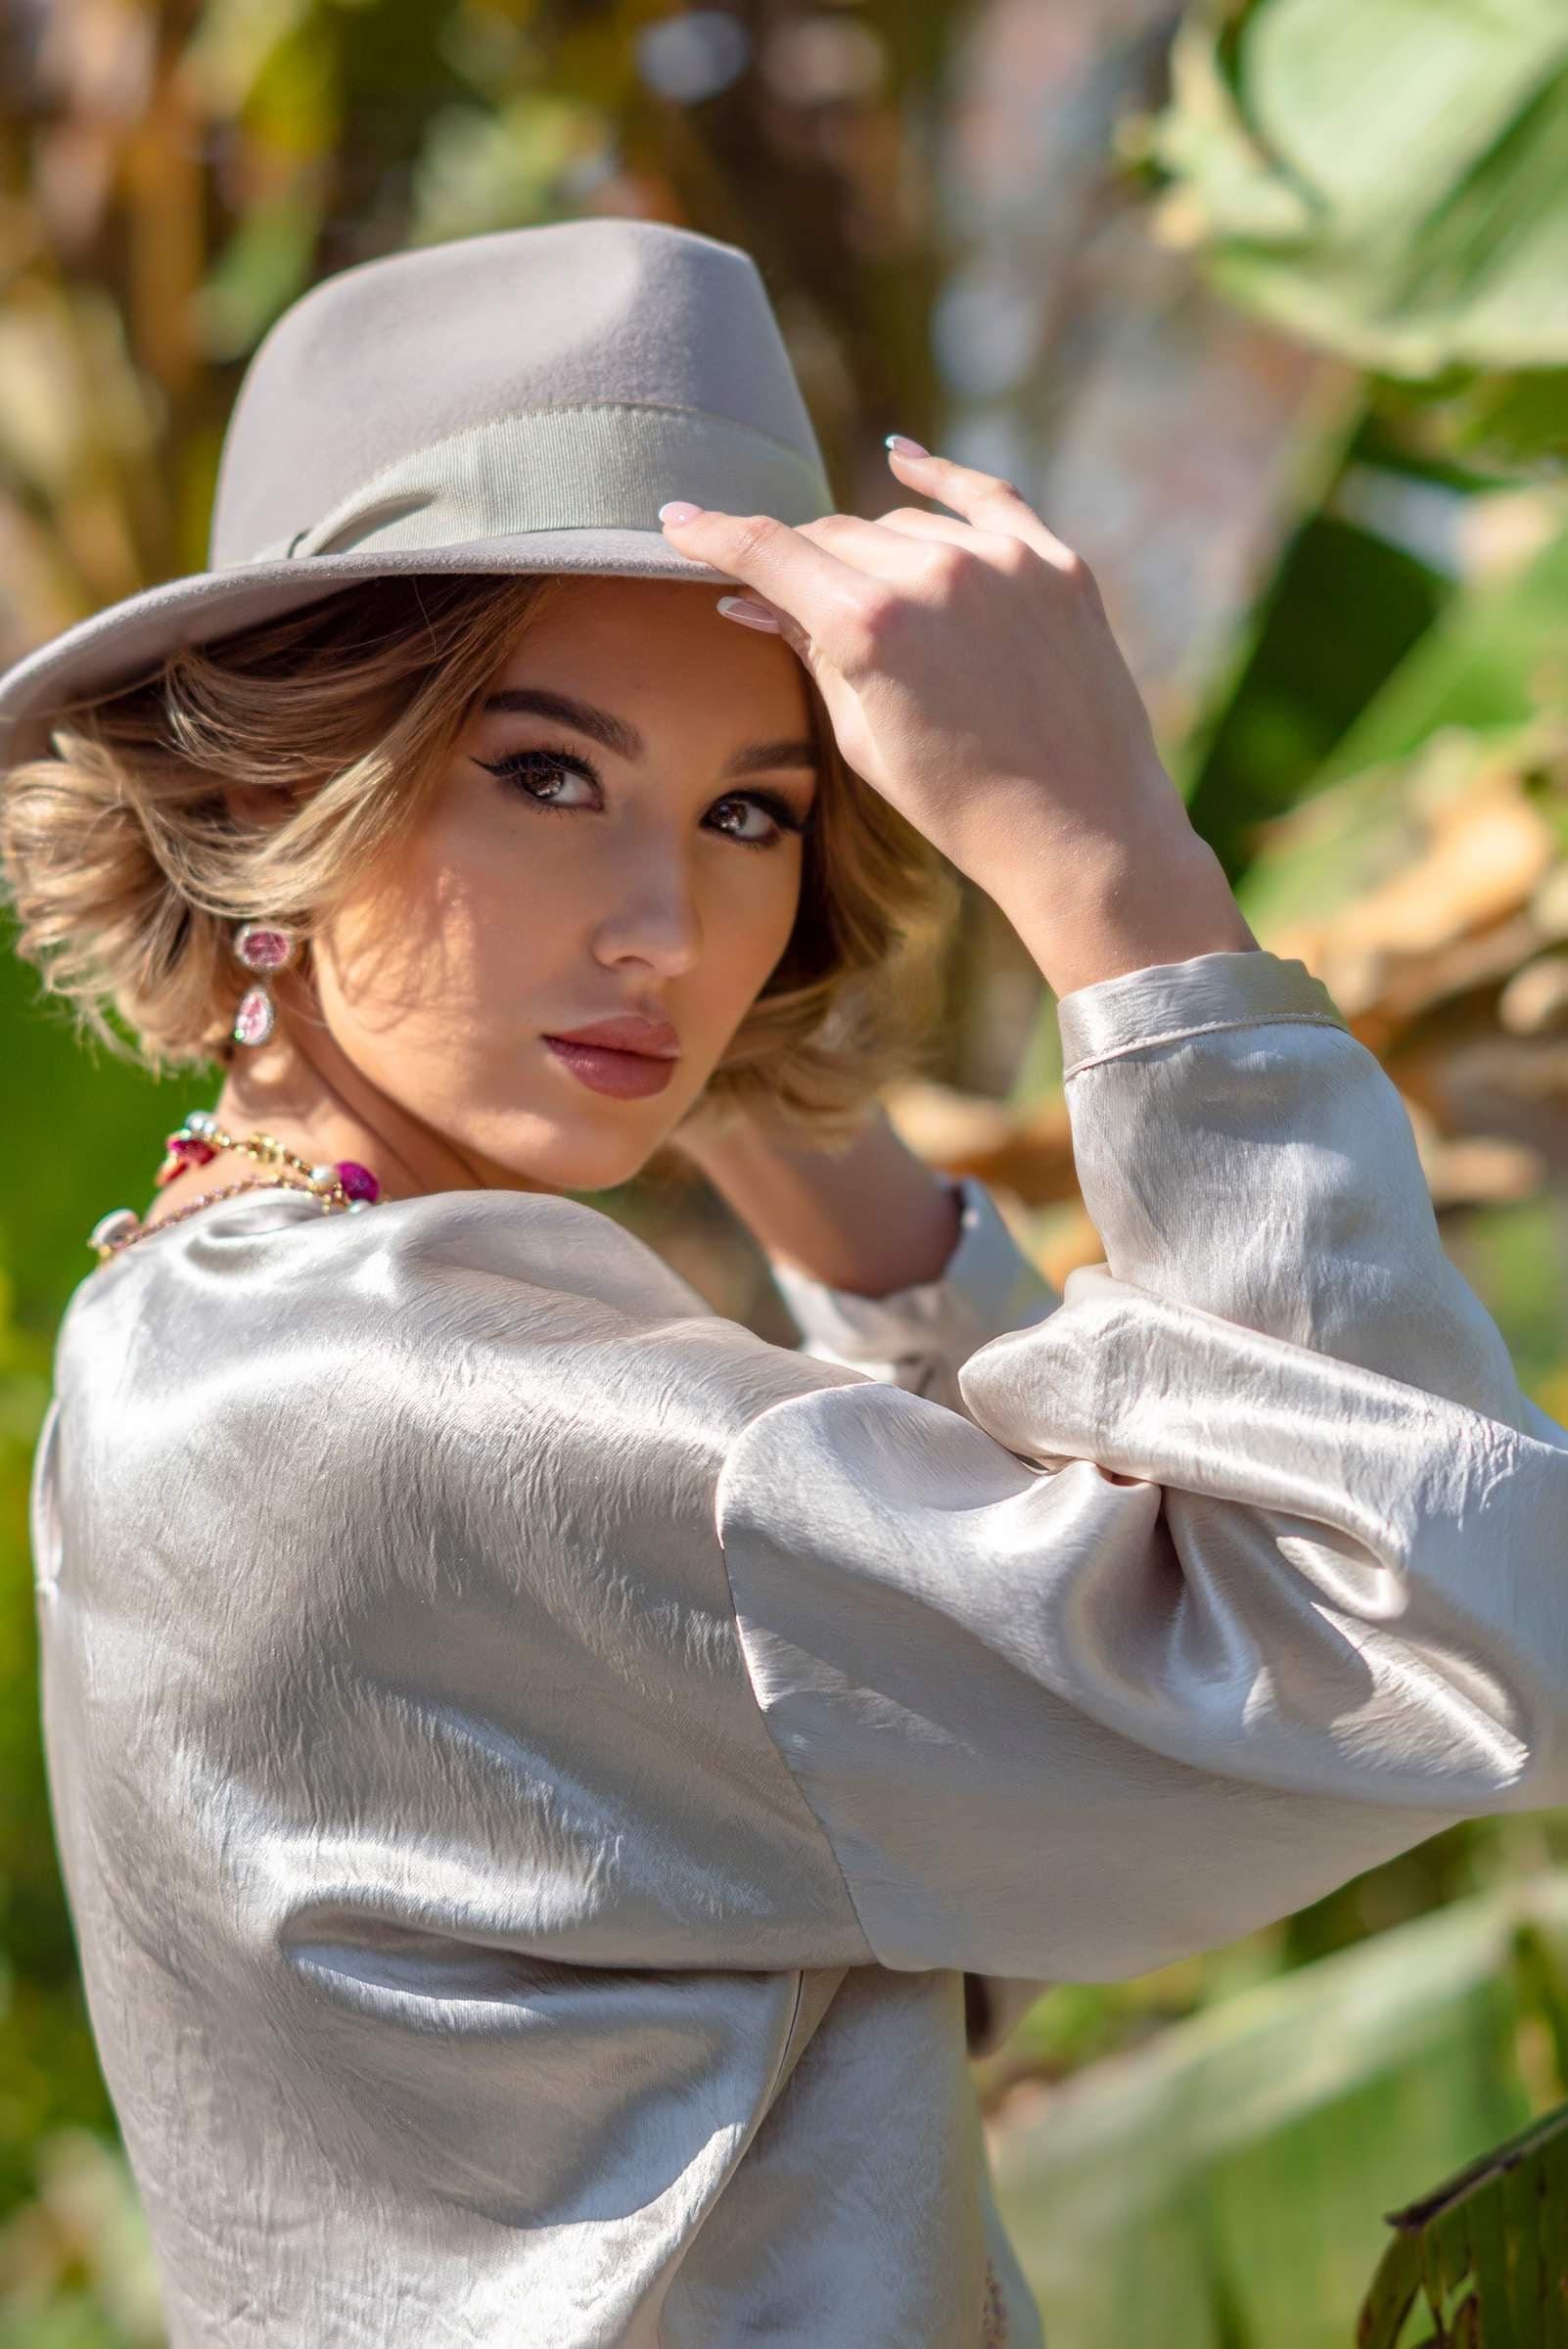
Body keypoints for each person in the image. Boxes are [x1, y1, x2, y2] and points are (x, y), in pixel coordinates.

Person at [2, 218, 1565, 2349]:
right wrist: (1122, 878)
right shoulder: (428, 1402)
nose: (667, 921)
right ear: (280, 782)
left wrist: (814, 1148)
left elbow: (951, 1857)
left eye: (755, 813)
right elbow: (1460, 1632)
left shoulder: (196, 1327)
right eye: (546, 775)